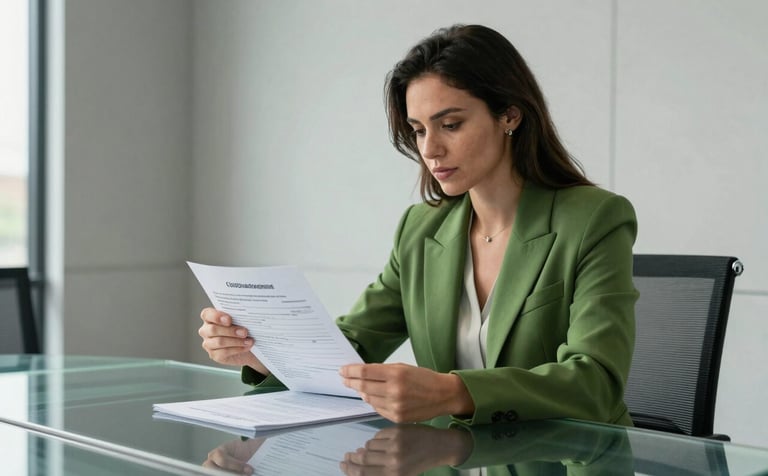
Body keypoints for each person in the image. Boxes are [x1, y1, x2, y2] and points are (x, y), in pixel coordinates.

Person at [198, 24, 638, 426]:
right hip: (452, 459)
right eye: (418, 130)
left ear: (510, 116)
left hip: (566, 462)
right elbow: (352, 350)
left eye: (450, 124)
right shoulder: (422, 229)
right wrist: (262, 356)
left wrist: (453, 391)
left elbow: (595, 382)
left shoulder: (593, 219)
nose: (431, 149)